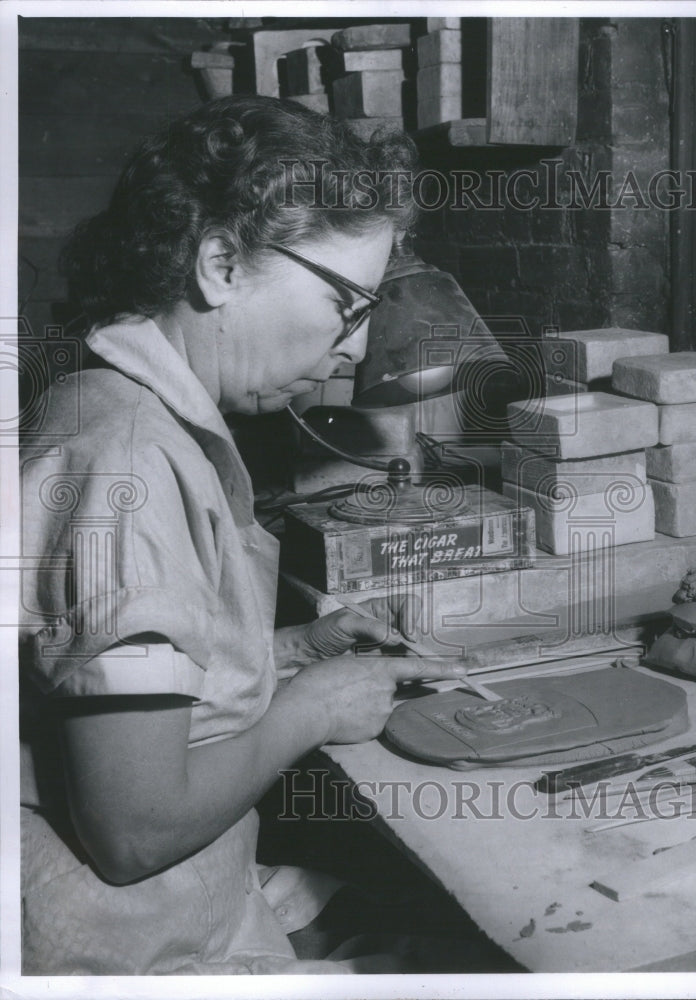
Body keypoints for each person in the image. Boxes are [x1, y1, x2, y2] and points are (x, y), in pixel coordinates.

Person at [18, 95, 466, 975]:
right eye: (346, 300)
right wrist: (314, 707)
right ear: (221, 263)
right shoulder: (132, 459)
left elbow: (129, 675)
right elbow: (132, 829)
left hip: (170, 907)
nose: (356, 345)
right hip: (121, 947)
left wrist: (296, 648)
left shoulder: (107, 401)